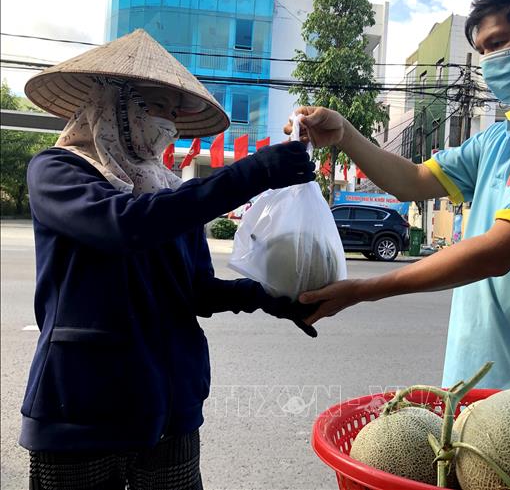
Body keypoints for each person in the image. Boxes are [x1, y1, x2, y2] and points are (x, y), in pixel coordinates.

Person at [285, 0, 510, 400]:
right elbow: (412, 181)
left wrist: (362, 290)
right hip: (471, 389)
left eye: (497, 43)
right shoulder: (500, 138)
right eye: (481, 51)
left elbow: (498, 251)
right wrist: (346, 134)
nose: (487, 62)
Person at [21, 29, 317, 490]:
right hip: (79, 410)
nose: (170, 124)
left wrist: (270, 297)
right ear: (116, 103)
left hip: (170, 409)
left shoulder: (174, 191)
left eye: (176, 115)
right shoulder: (58, 170)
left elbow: (195, 289)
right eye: (159, 107)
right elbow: (123, 226)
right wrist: (252, 172)